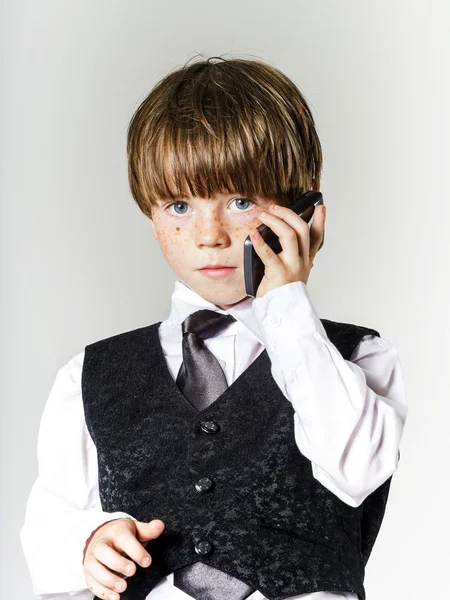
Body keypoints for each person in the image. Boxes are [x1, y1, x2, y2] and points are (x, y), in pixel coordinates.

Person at [20, 56, 408, 600]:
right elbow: (47, 528)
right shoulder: (88, 375)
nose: (209, 234)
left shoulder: (358, 358)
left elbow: (356, 470)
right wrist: (88, 541)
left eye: (241, 201)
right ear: (151, 219)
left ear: (304, 209)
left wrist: (287, 305)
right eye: (180, 205)